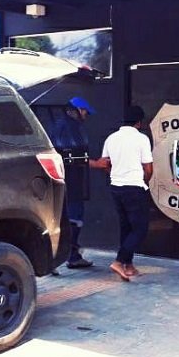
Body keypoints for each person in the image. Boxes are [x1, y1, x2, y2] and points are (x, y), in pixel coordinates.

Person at [45, 97, 105, 274]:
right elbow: (72, 155)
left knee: (63, 218)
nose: (86, 115)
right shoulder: (69, 128)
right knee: (74, 218)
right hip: (71, 180)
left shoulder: (58, 125)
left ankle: (63, 257)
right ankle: (64, 257)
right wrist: (96, 164)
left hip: (61, 181)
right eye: (85, 112)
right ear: (77, 110)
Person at [101, 105, 153, 281]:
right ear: (138, 122)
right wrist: (144, 181)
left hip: (116, 187)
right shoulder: (142, 139)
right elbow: (148, 168)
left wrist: (115, 175)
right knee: (140, 229)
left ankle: (128, 266)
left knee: (126, 227)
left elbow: (105, 164)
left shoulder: (111, 138)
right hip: (135, 187)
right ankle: (119, 261)